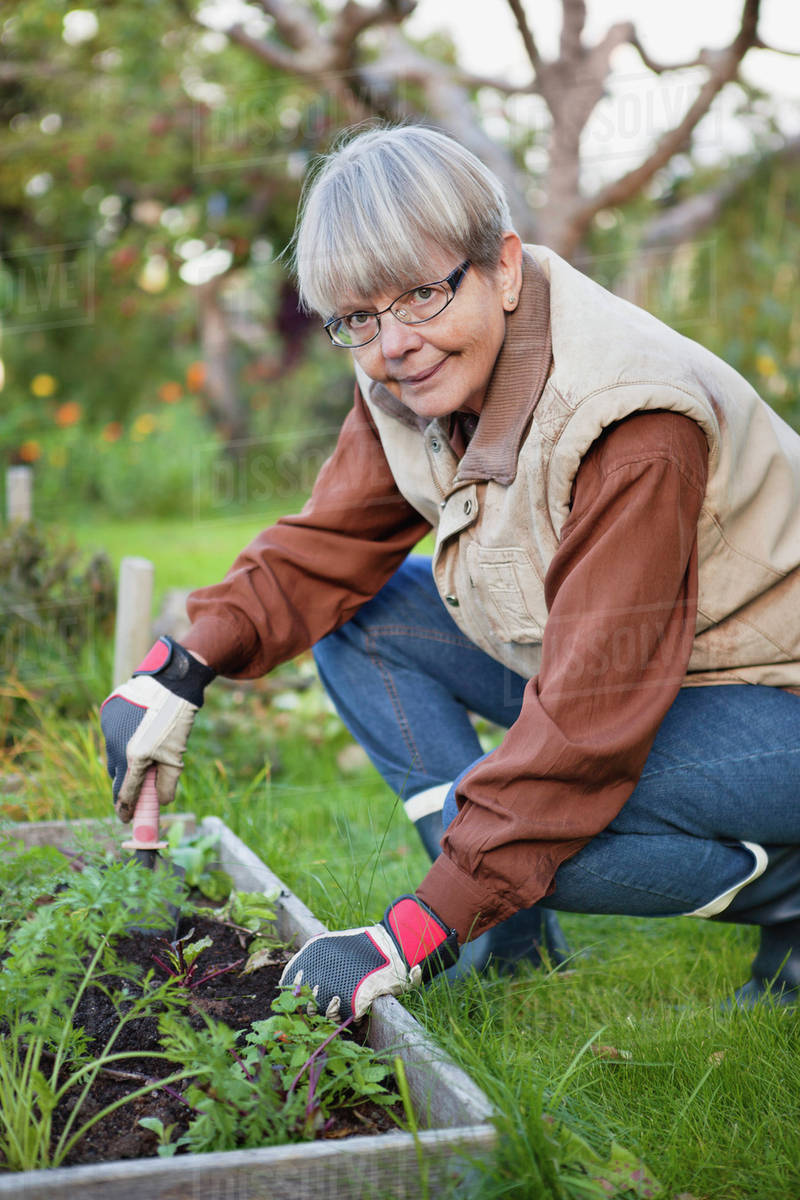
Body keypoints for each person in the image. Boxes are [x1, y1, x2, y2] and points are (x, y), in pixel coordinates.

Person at [102, 123, 800, 1023]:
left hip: (774, 697)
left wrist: (411, 932)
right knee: (364, 622)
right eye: (358, 318)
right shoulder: (410, 372)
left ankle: (789, 891)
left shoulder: (632, 422)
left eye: (423, 295)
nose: (394, 344)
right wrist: (178, 670)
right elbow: (328, 552)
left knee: (557, 811)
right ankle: (505, 938)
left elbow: (587, 729)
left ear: (504, 268)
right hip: (651, 679)